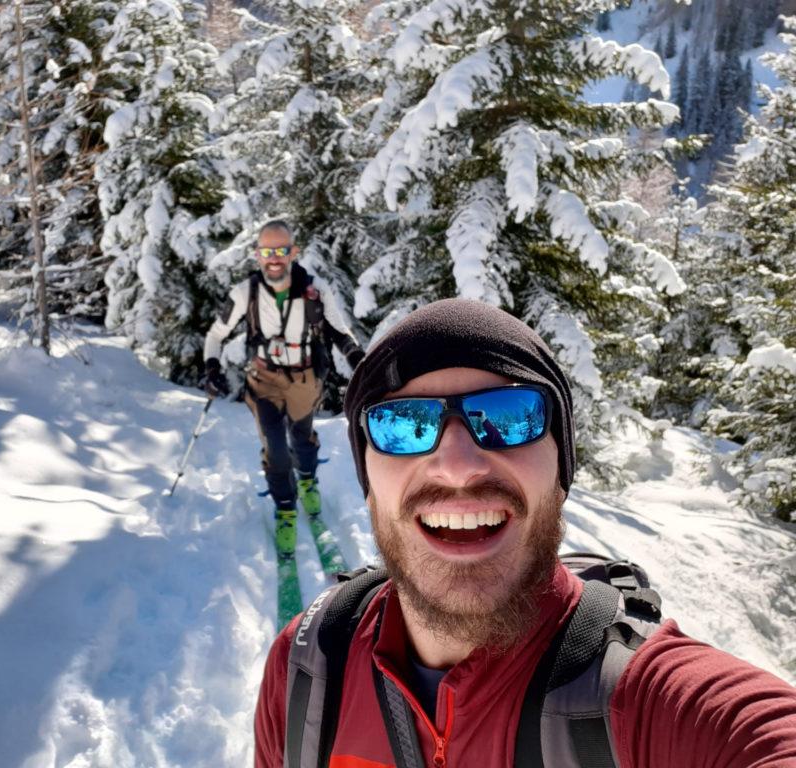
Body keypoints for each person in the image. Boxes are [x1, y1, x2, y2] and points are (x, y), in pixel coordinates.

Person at [254, 298, 796, 767]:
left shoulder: (645, 702)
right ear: (368, 477)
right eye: (404, 424)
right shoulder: (306, 667)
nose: (459, 465)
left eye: (509, 416)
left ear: (560, 471)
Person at [203, 220, 364, 557]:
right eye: (266, 252)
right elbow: (216, 335)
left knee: (302, 438)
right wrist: (212, 366)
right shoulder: (245, 293)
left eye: (280, 250)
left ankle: (307, 478)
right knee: (274, 448)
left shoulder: (315, 288)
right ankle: (286, 508)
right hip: (264, 380)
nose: (273, 258)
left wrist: (355, 357)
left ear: (293, 251)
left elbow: (338, 329)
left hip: (304, 378)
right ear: (257, 255)